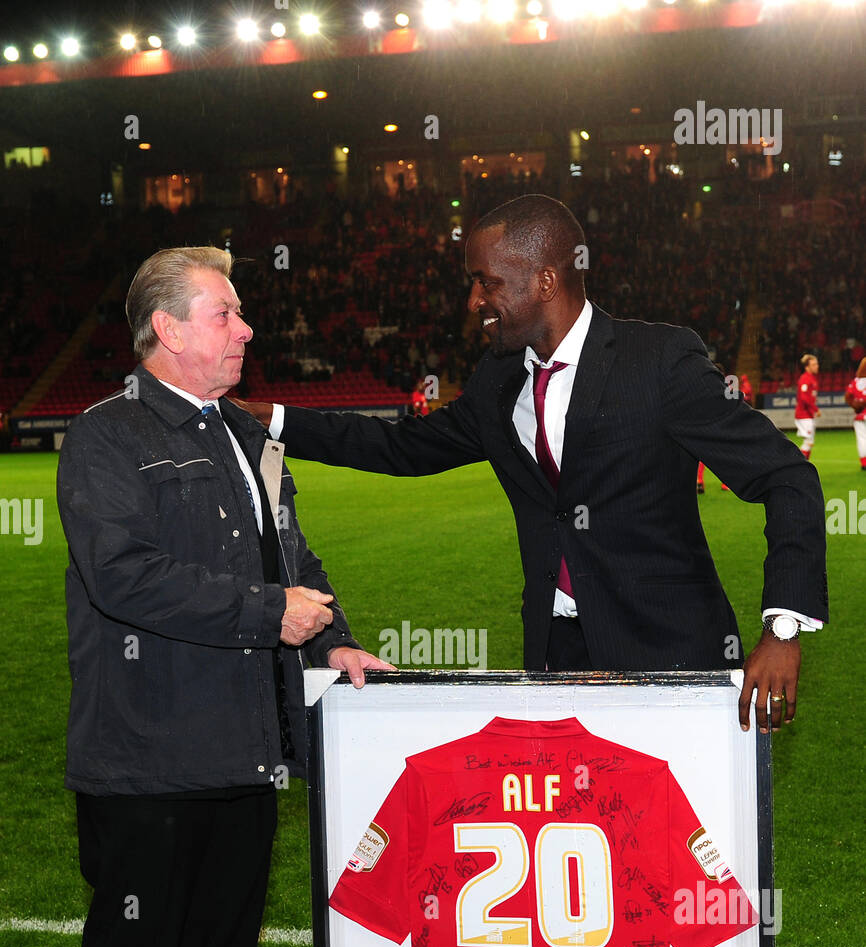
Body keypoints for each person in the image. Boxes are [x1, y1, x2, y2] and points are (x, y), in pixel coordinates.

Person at [237, 195, 827, 734]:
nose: (474, 302)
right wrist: (276, 419)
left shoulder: (659, 362)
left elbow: (786, 476)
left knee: (678, 846)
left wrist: (782, 630)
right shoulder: (499, 380)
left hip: (671, 655)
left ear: (546, 279)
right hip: (555, 656)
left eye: (485, 283)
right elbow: (404, 449)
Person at [56, 246, 391, 947]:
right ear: (165, 330)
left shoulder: (248, 435)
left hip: (245, 742)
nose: (245, 330)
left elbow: (294, 556)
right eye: (225, 315)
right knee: (133, 938)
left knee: (225, 938)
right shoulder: (103, 436)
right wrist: (263, 613)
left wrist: (333, 640)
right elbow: (122, 578)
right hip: (144, 749)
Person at [794, 352, 821, 460]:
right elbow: (804, 398)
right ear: (807, 367)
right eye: (814, 364)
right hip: (803, 415)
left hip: (808, 414)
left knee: (809, 441)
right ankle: (798, 462)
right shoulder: (805, 379)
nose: (817, 366)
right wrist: (815, 409)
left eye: (816, 364)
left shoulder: (811, 378)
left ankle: (803, 464)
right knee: (808, 441)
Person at [844, 355, 866, 470]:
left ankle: (864, 463)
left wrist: (856, 405)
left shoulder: (856, 381)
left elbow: (848, 397)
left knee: (862, 439)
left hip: (860, 415)